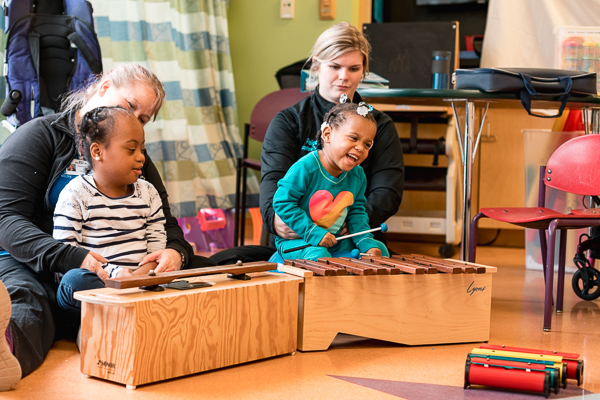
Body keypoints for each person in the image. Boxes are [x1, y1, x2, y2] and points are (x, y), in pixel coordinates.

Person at [0, 64, 216, 385]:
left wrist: (174, 253)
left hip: (118, 272)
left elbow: (167, 224)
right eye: (128, 106)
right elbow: (6, 220)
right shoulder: (41, 135)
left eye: (142, 119)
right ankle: (6, 351)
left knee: (208, 269)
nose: (132, 120)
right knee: (30, 303)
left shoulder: (133, 155)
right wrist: (74, 258)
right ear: (103, 88)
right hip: (37, 264)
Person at [211, 21, 404, 265]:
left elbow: (388, 192)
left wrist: (345, 222)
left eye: (354, 69)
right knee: (221, 262)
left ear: (363, 71)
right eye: (335, 66)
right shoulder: (288, 122)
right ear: (316, 66)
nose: (344, 77)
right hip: (299, 242)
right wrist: (275, 220)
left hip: (353, 240)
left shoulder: (381, 125)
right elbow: (273, 183)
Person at [53, 106, 167, 320]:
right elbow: (65, 253)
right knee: (74, 281)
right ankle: (117, 319)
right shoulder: (76, 193)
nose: (141, 157)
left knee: (196, 268)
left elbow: (157, 247)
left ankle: (130, 313)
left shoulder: (148, 193)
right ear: (97, 152)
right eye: (131, 150)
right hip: (97, 283)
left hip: (139, 283)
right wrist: (115, 276)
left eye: (142, 150)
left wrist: (135, 279)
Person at [273, 101, 389, 261]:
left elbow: (356, 211)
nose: (360, 148)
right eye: (354, 138)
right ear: (327, 134)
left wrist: (365, 241)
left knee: (379, 250)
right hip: (299, 242)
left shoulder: (358, 175)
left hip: (337, 243)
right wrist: (313, 232)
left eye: (367, 144)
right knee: (319, 255)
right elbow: (282, 203)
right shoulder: (305, 168)